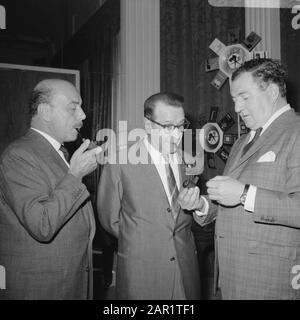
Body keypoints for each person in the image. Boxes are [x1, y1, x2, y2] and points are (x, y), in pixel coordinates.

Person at [97, 92, 212, 300]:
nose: (177, 135)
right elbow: (109, 219)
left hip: (186, 270)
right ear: (148, 125)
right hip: (141, 270)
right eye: (168, 126)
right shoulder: (120, 162)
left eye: (180, 126)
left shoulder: (190, 163)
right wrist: (144, 238)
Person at [202, 58, 300, 299]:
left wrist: (245, 194)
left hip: (271, 280)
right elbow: (232, 198)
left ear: (273, 92)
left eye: (244, 97)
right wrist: (203, 205)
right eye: (234, 100)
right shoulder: (241, 142)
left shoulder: (296, 131)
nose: (236, 108)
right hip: (232, 275)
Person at [0, 79, 103, 300]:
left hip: (66, 282)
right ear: (45, 111)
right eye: (73, 107)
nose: (83, 115)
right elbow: (42, 225)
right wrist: (75, 176)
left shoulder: (57, 152)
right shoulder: (19, 155)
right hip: (40, 288)